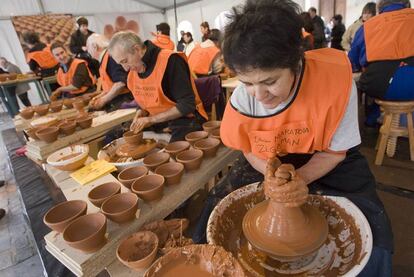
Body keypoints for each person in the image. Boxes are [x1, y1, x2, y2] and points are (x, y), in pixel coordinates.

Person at [193, 1, 393, 276]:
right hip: (268, 159)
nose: (259, 96)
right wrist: (271, 175)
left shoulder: (335, 80)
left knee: (375, 233)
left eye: (270, 81)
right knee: (212, 215)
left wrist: (301, 178)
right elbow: (247, 147)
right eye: (248, 83)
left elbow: (336, 152)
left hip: (326, 157)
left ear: (297, 63)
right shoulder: (243, 98)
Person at [108, 31, 208, 142]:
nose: (125, 68)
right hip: (156, 121)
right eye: (121, 64)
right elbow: (143, 100)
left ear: (137, 49)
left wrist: (151, 120)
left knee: (171, 154)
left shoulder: (170, 60)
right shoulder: (133, 71)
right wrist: (140, 112)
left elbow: (187, 105)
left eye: (125, 61)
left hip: (184, 119)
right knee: (112, 136)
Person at [349, 0, 414, 127]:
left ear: (380, 8)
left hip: (379, 85)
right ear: (406, 5)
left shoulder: (367, 27)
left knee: (358, 84)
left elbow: (352, 61)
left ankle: (363, 128)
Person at [86, 34, 133, 112]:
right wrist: (100, 96)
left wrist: (104, 100)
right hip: (118, 98)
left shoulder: (110, 57)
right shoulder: (105, 58)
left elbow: (121, 83)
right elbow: (111, 84)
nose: (88, 53)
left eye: (88, 49)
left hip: (126, 99)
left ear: (95, 46)